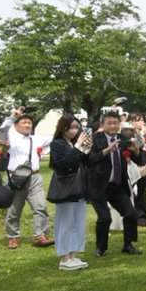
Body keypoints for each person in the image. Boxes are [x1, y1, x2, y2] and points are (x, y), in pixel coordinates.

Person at [86, 110, 145, 256]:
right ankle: (100, 248)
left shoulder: (124, 138)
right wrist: (107, 150)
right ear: (103, 124)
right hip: (99, 185)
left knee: (131, 213)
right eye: (109, 123)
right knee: (105, 218)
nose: (113, 126)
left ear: (119, 124)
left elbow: (139, 161)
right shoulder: (95, 139)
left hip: (117, 185)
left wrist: (136, 151)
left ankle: (128, 245)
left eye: (115, 123)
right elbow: (90, 159)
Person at [0, 108, 52, 249]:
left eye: (29, 123)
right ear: (16, 125)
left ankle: (40, 235)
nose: (28, 125)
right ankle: (13, 237)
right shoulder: (11, 137)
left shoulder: (37, 139)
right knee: (14, 209)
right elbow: (3, 130)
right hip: (16, 178)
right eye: (24, 122)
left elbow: (56, 136)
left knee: (40, 206)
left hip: (34, 177)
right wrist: (12, 116)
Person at [48, 115, 90, 270]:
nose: (74, 131)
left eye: (77, 127)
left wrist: (85, 149)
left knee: (78, 222)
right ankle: (64, 258)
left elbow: (85, 163)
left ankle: (73, 255)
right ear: (63, 128)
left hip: (79, 187)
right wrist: (77, 147)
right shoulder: (57, 144)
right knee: (65, 223)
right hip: (66, 187)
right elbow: (62, 164)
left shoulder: (73, 143)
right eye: (71, 127)